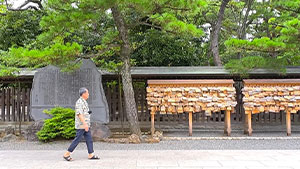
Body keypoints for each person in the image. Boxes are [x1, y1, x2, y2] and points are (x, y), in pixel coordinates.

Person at [63, 87, 99, 161]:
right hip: (81, 125)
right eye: (87, 93)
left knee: (89, 139)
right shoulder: (79, 102)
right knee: (77, 140)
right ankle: (67, 154)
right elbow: (79, 114)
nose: (88, 94)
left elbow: (84, 113)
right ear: (84, 94)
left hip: (85, 125)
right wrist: (85, 124)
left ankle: (91, 154)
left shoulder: (84, 102)